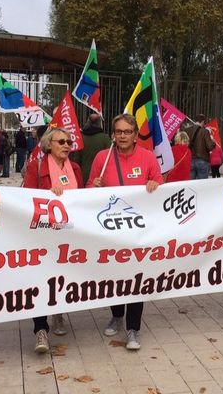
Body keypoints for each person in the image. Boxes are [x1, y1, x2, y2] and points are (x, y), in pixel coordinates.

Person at [88, 114, 163, 350]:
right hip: (111, 231)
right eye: (118, 131)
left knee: (136, 280)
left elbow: (159, 182)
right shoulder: (103, 156)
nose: (122, 136)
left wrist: (154, 184)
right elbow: (88, 188)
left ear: (135, 134)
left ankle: (133, 328)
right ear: (113, 134)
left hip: (138, 231)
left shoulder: (147, 157)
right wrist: (94, 186)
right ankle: (117, 315)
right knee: (113, 278)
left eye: (127, 132)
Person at [23, 128, 83, 352]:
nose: (67, 145)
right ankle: (40, 330)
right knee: (41, 278)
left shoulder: (75, 168)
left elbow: (83, 197)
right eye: (61, 142)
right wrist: (48, 193)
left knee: (62, 276)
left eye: (69, 142)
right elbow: (26, 197)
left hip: (69, 233)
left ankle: (58, 311)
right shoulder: (36, 167)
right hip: (43, 233)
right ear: (49, 145)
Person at [69, 113, 112, 183]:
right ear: (100, 123)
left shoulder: (80, 138)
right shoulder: (105, 138)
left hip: (84, 176)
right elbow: (110, 157)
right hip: (101, 176)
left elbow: (76, 159)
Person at [184, 114, 215, 179]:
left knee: (190, 185)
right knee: (201, 186)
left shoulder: (187, 131)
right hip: (202, 160)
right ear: (203, 121)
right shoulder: (205, 131)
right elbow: (210, 147)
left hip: (190, 160)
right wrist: (213, 142)